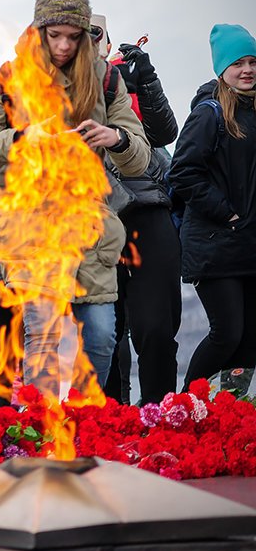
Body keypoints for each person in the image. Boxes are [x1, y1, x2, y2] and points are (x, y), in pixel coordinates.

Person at [0, 0, 150, 397]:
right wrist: (24, 138)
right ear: (39, 31)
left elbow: (140, 158)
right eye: (55, 35)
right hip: (31, 229)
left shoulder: (106, 79)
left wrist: (114, 138)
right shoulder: (7, 80)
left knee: (100, 339)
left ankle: (83, 429)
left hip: (90, 232)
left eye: (73, 37)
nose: (64, 46)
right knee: (41, 340)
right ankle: (46, 436)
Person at [168, 24, 256, 387]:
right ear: (221, 69)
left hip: (247, 242)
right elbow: (183, 172)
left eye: (253, 61)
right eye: (238, 63)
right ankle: (183, 408)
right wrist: (228, 213)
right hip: (214, 241)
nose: (248, 69)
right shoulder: (209, 112)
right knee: (227, 333)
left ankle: (228, 417)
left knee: (250, 341)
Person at [98, 28, 181, 405]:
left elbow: (165, 130)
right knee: (104, 333)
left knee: (156, 328)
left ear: (108, 44)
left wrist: (146, 81)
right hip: (92, 218)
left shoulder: (126, 77)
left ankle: (160, 416)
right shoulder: (50, 87)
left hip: (145, 207)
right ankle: (110, 423)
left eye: (95, 36)